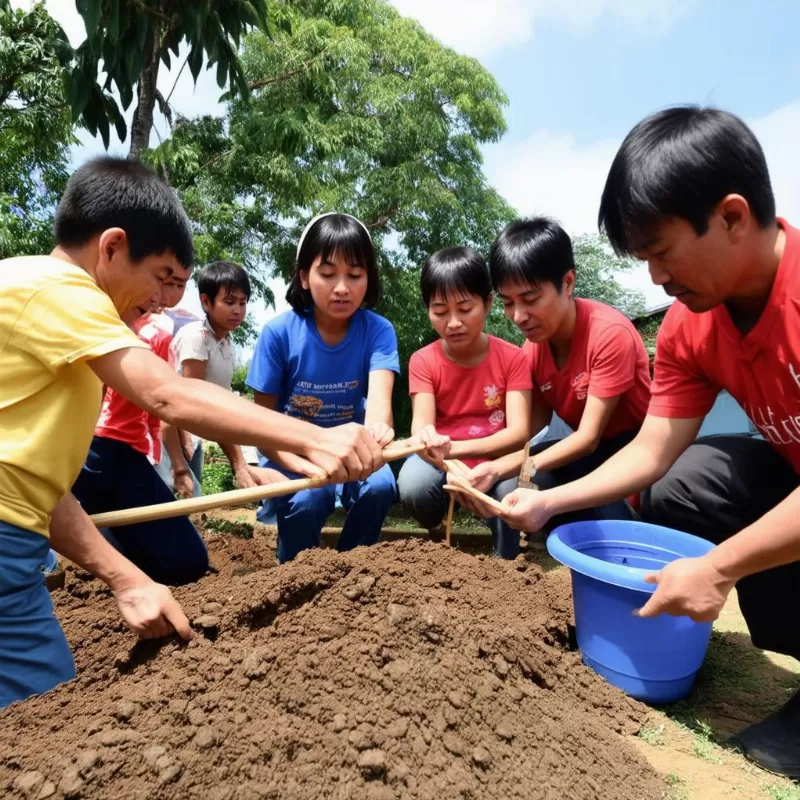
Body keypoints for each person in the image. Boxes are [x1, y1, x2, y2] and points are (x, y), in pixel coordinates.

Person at [475, 107, 800, 776]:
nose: (654, 278)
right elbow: (651, 452)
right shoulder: (688, 328)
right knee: (683, 484)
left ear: (733, 217)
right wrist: (544, 505)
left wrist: (717, 569)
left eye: (660, 252)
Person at [0, 158, 384, 709]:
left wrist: (125, 578)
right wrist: (315, 438)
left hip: (14, 549)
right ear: (111, 247)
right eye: (161, 278)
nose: (163, 301)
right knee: (41, 720)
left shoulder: (36, 298)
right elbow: (169, 396)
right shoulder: (60, 291)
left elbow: (30, 489)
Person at [452, 218, 651, 553]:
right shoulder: (534, 349)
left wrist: (505, 465)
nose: (518, 316)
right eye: (508, 302)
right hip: (580, 457)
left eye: (530, 298)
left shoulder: (608, 335)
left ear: (568, 282)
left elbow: (587, 438)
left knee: (612, 529)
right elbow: (533, 425)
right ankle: (511, 575)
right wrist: (483, 465)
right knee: (509, 490)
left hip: (632, 452)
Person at [246, 213, 402, 562]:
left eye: (355, 275)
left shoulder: (379, 332)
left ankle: (351, 568)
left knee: (379, 487)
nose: (342, 287)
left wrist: (374, 441)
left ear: (369, 279)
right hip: (293, 453)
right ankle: (293, 573)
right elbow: (262, 427)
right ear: (304, 276)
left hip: (354, 450)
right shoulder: (278, 334)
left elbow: (379, 410)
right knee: (309, 498)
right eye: (328, 274)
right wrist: (306, 466)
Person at [71, 266, 209, 586]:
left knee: (182, 555)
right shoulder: (158, 331)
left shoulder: (144, 327)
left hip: (120, 448)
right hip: (107, 447)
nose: (163, 296)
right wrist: (178, 466)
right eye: (162, 281)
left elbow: (154, 408)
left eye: (177, 285)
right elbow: (165, 402)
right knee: (183, 559)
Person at [397, 246, 533, 558]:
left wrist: (454, 450)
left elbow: (519, 432)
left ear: (487, 303)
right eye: (440, 311)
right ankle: (435, 527)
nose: (453, 322)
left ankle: (508, 564)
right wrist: (443, 461)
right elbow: (422, 428)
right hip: (440, 460)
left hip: (496, 458)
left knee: (511, 492)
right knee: (413, 483)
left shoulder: (514, 358)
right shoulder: (423, 361)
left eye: (465, 308)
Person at [165, 261, 274, 497]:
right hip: (169, 439)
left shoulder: (225, 343)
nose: (238, 310)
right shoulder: (197, 337)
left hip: (192, 439)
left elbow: (219, 409)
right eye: (229, 302)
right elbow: (190, 403)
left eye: (243, 303)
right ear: (206, 301)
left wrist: (239, 464)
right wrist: (180, 464)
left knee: (187, 508)